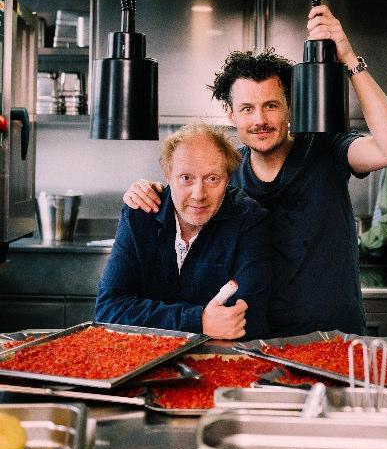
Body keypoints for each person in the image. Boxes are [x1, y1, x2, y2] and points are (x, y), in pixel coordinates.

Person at [123, 5, 387, 337]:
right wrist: (145, 191)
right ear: (231, 114)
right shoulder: (225, 171)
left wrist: (348, 58)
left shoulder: (326, 149)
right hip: (253, 340)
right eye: (247, 108)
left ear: (289, 107)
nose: (260, 120)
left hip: (333, 338)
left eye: (271, 105)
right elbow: (186, 203)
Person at [96, 123, 271, 340]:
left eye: (212, 179)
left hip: (216, 355)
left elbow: (248, 319)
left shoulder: (250, 221)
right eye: (186, 178)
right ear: (168, 175)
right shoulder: (140, 214)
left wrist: (153, 316)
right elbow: (108, 310)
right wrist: (199, 321)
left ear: (228, 178)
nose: (198, 194)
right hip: (145, 353)